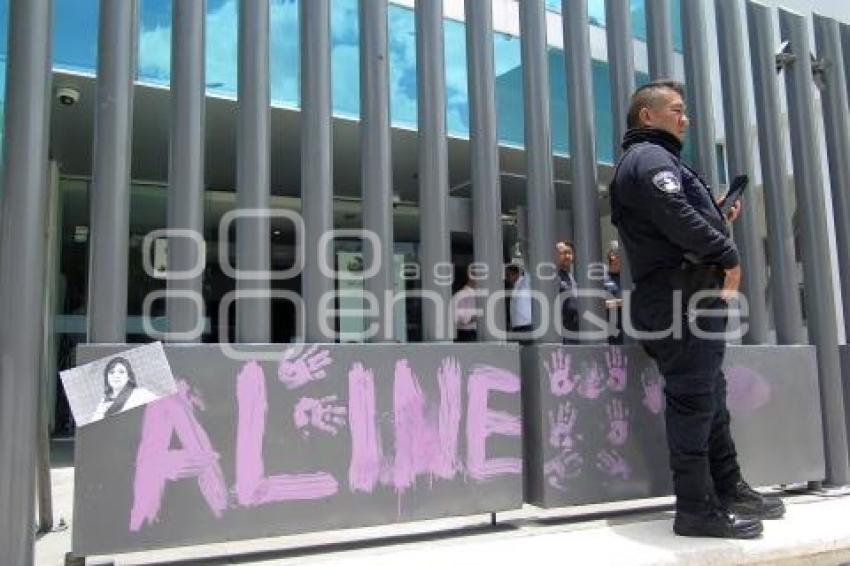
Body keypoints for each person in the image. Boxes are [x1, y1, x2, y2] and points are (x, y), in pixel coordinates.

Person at [610, 80, 784, 539]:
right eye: (677, 110)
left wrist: (718, 216)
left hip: (682, 298)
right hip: (679, 300)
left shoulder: (655, 161)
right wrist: (727, 255)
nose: (685, 118)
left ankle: (727, 489)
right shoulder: (649, 159)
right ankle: (695, 508)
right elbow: (674, 214)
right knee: (693, 401)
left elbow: (673, 220)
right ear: (647, 116)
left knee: (708, 398)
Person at [91, 357, 157, 422]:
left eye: (121, 372)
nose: (116, 376)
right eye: (111, 372)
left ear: (128, 376)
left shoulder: (140, 394)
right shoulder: (103, 403)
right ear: (107, 377)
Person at [555, 240, 580, 344]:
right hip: (561, 332)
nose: (567, 256)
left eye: (570, 253)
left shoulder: (571, 276)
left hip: (574, 329)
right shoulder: (553, 276)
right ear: (555, 255)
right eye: (564, 253)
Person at [505, 263, 532, 343]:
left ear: (516, 274)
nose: (506, 278)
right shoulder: (514, 287)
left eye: (508, 275)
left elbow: (528, 271)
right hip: (516, 326)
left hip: (526, 325)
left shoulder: (524, 283)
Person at [453, 265, 479, 342]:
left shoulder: (480, 294)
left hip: (475, 333)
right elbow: (457, 317)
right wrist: (473, 317)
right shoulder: (460, 295)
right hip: (466, 334)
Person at [604, 246, 624, 345]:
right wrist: (619, 303)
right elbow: (596, 304)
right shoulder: (603, 278)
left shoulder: (627, 277)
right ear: (612, 256)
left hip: (627, 329)